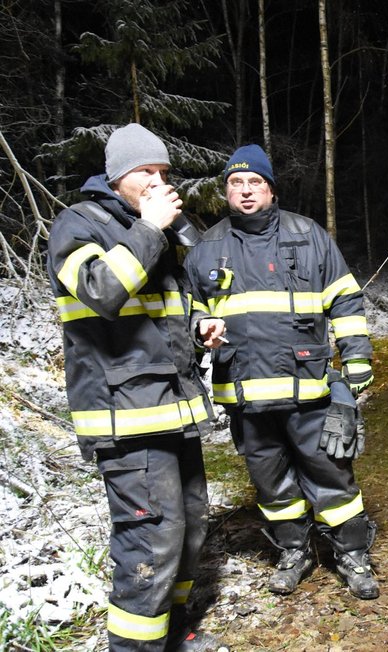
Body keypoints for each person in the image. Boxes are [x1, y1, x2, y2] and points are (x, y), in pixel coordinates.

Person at [46, 123, 227, 651]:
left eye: (164, 173)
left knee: (190, 529)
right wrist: (149, 228)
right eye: (145, 172)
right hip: (125, 417)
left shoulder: (155, 230)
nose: (157, 181)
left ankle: (170, 635)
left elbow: (161, 312)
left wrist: (199, 328)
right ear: (118, 176)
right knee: (152, 538)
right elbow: (101, 291)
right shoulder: (78, 225)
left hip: (171, 410)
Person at [184, 145, 380, 600]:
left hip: (307, 387)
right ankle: (295, 551)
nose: (246, 191)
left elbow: (345, 299)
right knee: (272, 483)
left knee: (332, 476)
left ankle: (351, 554)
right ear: (226, 192)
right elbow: (189, 313)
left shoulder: (307, 235)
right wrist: (199, 328)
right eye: (237, 183)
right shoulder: (206, 249)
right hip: (245, 395)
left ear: (270, 188)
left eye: (255, 182)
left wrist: (357, 358)